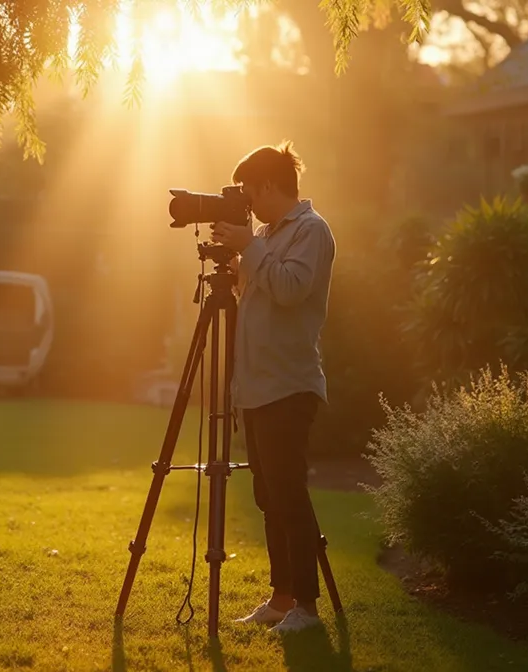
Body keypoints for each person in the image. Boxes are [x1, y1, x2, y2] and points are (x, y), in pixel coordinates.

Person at [209, 141, 336, 634]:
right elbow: (251, 297)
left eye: (248, 190)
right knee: (268, 497)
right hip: (257, 387)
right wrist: (242, 248)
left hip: (289, 384)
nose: (246, 200)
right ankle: (281, 598)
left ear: (267, 184)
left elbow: (288, 290)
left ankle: (307, 607)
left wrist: (249, 247)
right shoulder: (263, 234)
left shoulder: (311, 231)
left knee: (289, 495)